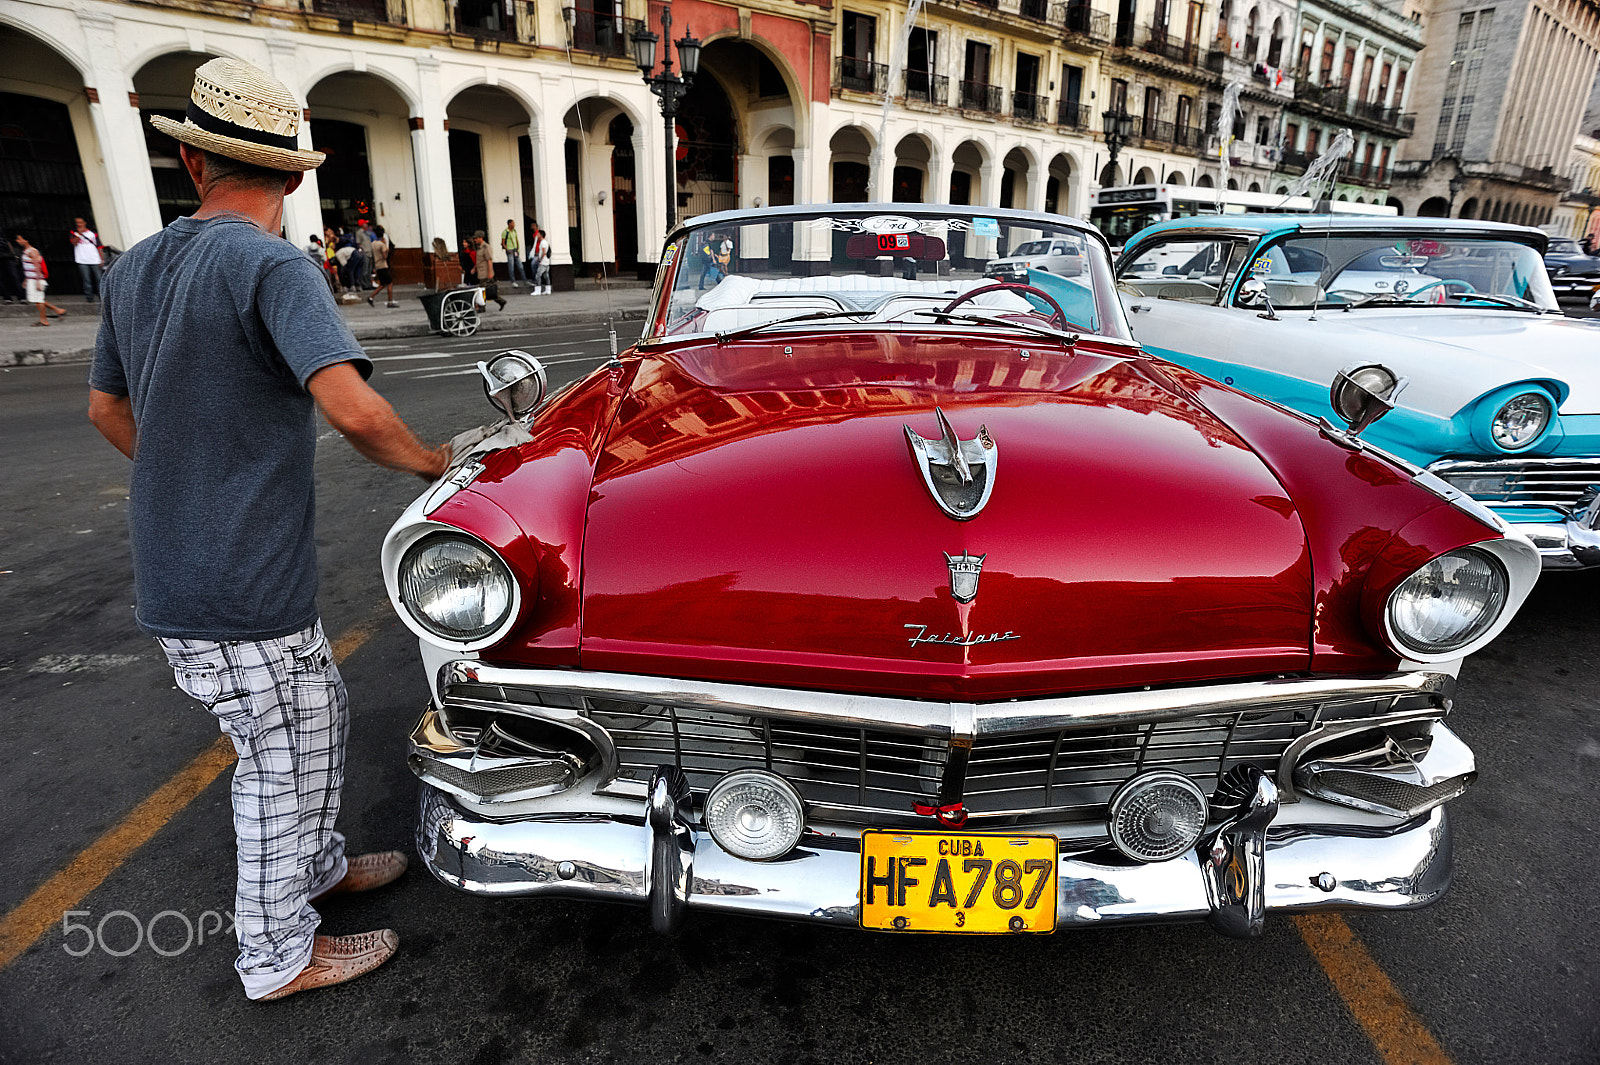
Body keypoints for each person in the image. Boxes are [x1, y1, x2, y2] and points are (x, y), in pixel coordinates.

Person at [87, 57, 449, 1003]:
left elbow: (104, 409)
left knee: (312, 716)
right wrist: (433, 464)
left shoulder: (133, 267)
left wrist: (183, 481)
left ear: (190, 161)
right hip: (237, 583)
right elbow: (355, 409)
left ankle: (319, 868)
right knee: (279, 759)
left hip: (191, 573)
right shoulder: (272, 263)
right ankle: (277, 952)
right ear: (293, 176)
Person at [17, 235, 66, 325]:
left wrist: (38, 280)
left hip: (36, 279)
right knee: (38, 299)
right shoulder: (26, 251)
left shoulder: (32, 251)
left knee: (39, 300)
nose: (18, 241)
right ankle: (57, 310)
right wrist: (26, 279)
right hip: (32, 279)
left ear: (26, 239)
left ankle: (44, 320)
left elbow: (38, 265)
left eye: (20, 239)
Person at [70, 218, 105, 302]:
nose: (79, 224)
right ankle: (89, 297)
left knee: (99, 278)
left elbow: (99, 247)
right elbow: (73, 243)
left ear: (85, 223)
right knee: (86, 279)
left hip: (94, 259)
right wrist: (79, 234)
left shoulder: (92, 234)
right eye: (77, 223)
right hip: (82, 260)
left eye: (81, 222)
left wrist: (102, 258)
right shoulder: (74, 233)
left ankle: (102, 296)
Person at [472, 231, 505, 309]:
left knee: (483, 290)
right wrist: (475, 268)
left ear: (481, 238)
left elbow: (489, 260)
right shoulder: (479, 248)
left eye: (476, 238)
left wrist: (490, 273)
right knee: (487, 290)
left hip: (485, 273)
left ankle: (482, 307)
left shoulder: (486, 247)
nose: (475, 240)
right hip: (480, 272)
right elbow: (479, 260)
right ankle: (500, 301)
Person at [367, 225, 397, 308]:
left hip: (377, 265)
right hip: (383, 265)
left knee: (383, 284)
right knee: (390, 283)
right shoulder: (381, 244)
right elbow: (385, 256)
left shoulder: (373, 244)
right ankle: (390, 301)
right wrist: (386, 249)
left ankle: (371, 297)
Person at [500, 218, 524, 288]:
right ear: (509, 224)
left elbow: (516, 240)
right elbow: (503, 243)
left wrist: (518, 249)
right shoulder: (505, 232)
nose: (514, 225)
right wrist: (507, 249)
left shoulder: (514, 231)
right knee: (511, 266)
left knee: (520, 266)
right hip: (510, 250)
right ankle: (513, 281)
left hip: (515, 250)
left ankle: (525, 280)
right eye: (513, 223)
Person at [0, 235, 24, 303]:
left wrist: (14, 255)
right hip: (7, 257)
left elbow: (7, 242)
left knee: (14, 276)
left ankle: (21, 296)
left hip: (8, 257)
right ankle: (7, 297)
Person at [528, 228, 550, 295]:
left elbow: (544, 253)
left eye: (538, 234)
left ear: (541, 235)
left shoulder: (542, 243)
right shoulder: (546, 242)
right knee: (546, 275)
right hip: (547, 261)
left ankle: (538, 290)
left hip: (543, 262)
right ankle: (548, 289)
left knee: (538, 275)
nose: (537, 235)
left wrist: (540, 260)